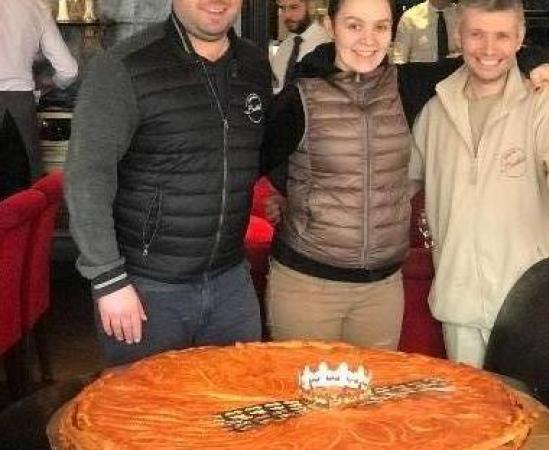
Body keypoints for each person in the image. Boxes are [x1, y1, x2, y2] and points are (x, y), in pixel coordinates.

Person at [261, 0, 549, 350]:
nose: (368, 39)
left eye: (380, 26)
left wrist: (535, 62)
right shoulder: (301, 94)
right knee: (305, 400)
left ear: (392, 31)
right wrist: (297, 196)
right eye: (354, 25)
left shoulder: (407, 86)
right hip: (307, 283)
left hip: (381, 291)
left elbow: (479, 59)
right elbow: (258, 159)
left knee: (375, 402)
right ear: (331, 27)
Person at [64, 0, 272, 366]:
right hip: (146, 289)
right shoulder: (123, 67)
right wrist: (108, 279)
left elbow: (255, 154)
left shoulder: (253, 64)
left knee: (234, 411)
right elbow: (87, 178)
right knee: (145, 414)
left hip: (231, 285)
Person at [409, 0, 549, 367]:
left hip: (531, 307)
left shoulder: (545, 103)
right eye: (477, 34)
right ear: (458, 36)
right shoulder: (434, 110)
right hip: (460, 304)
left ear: (520, 39)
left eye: (501, 35)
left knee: (536, 420)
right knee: (479, 420)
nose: (488, 49)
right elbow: (399, 182)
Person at [0, 0, 77, 199]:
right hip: (19, 109)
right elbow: (69, 70)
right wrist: (48, 82)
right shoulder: (35, 6)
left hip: (18, 105)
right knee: (23, 199)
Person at [270, 0, 330, 91]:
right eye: (282, 8)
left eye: (294, 7)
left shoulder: (327, 44)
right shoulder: (284, 47)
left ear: (311, 7)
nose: (287, 15)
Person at [393, 0, 459, 64]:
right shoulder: (410, 17)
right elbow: (399, 57)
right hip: (419, 72)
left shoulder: (461, 14)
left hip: (457, 71)